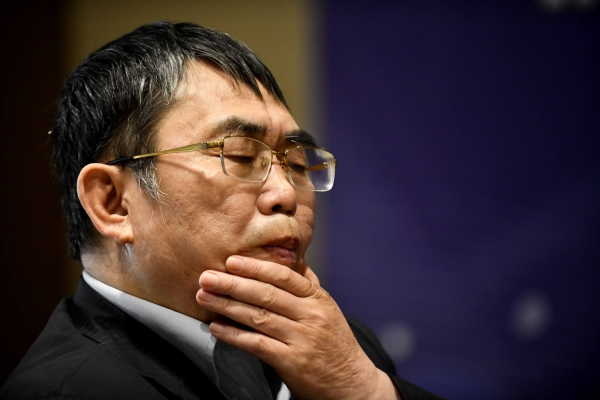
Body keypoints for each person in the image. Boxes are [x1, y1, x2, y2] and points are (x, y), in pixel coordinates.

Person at [0, 22, 443, 400]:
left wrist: (368, 390)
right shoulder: (66, 390)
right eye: (241, 156)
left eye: (295, 162)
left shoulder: (342, 346)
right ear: (113, 203)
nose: (286, 194)